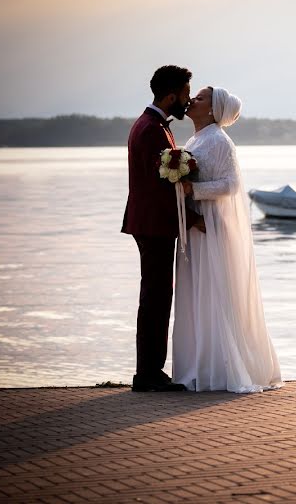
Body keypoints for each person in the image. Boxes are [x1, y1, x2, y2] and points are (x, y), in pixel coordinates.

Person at [172, 86, 282, 392]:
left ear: (213, 110)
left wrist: (195, 190)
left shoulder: (219, 140)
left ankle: (222, 367)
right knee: (198, 291)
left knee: (215, 290)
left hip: (212, 226)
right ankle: (202, 364)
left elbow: (231, 185)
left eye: (203, 97)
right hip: (196, 224)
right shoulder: (196, 139)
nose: (194, 98)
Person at [122, 65, 204, 392]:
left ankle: (149, 372)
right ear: (171, 96)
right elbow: (162, 184)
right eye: (185, 96)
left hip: (150, 223)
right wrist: (193, 215)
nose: (187, 102)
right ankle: (148, 375)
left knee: (155, 296)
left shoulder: (151, 124)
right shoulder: (152, 129)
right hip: (154, 225)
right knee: (156, 298)